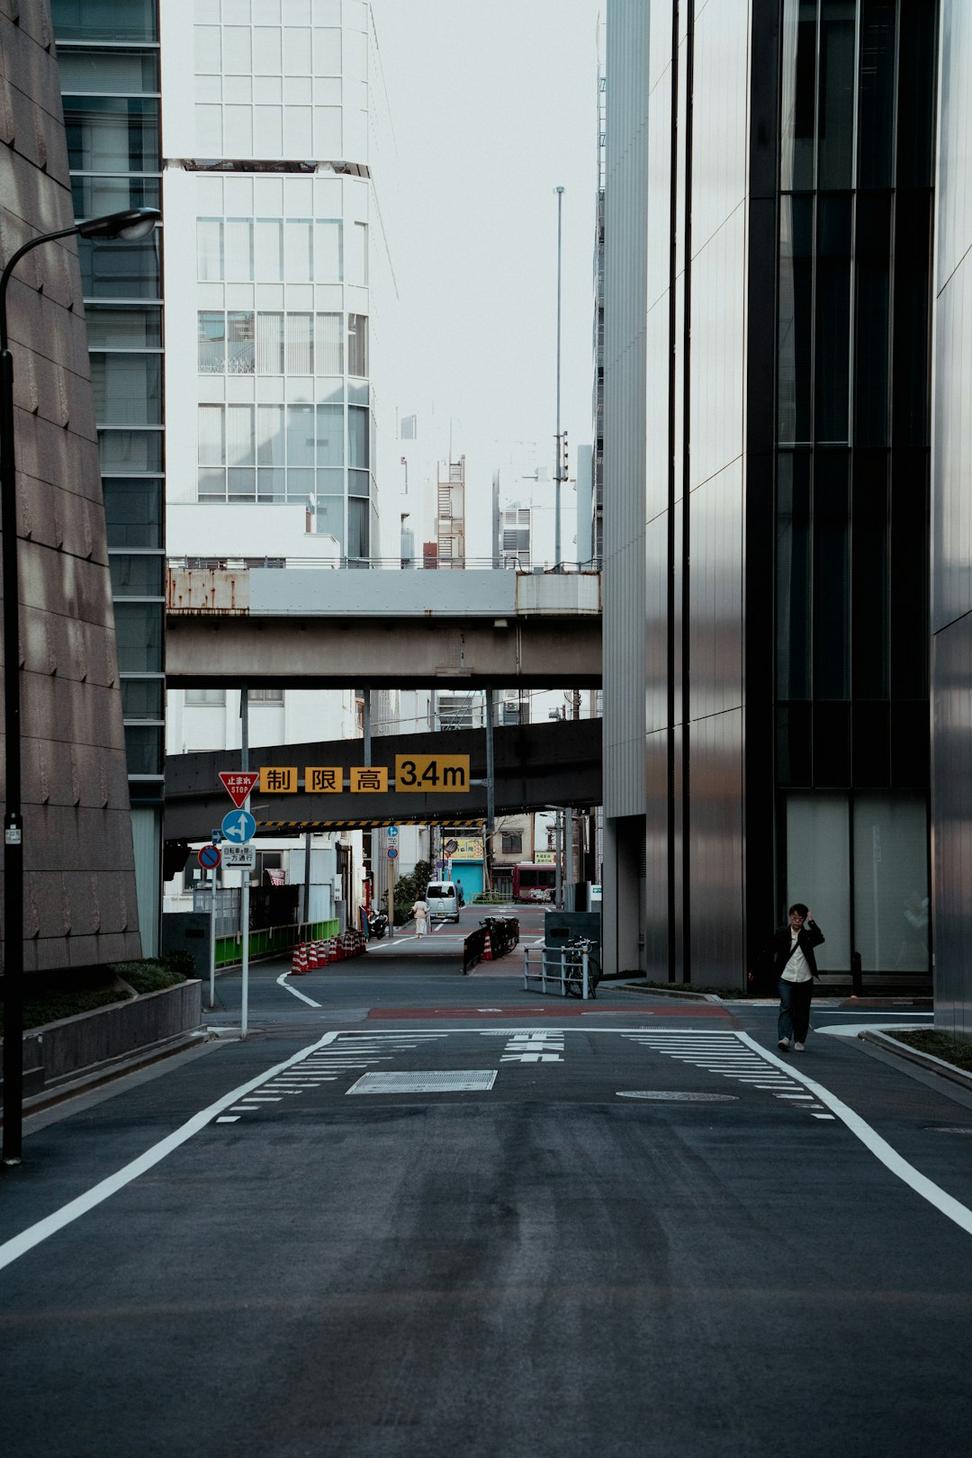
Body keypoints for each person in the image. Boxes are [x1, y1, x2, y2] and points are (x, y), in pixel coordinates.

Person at [767, 903, 825, 1052]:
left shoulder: (808, 935)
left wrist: (812, 922)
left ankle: (799, 1039)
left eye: (800, 918)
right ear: (790, 917)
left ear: (804, 920)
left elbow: (820, 937)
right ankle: (784, 1038)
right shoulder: (782, 933)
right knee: (786, 1007)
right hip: (786, 977)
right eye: (794, 917)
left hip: (804, 979)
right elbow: (768, 950)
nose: (797, 920)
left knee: (802, 1010)